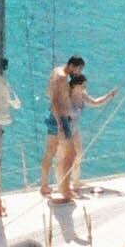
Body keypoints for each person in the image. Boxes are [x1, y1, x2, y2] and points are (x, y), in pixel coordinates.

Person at [59, 64, 117, 200]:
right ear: (75, 86)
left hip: (74, 130)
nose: (85, 88)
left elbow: (95, 102)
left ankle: (76, 183)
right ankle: (64, 187)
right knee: (68, 158)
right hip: (65, 132)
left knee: (79, 155)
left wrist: (109, 96)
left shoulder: (82, 95)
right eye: (83, 86)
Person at [41, 56, 85, 197]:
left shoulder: (57, 71)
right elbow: (54, 99)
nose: (78, 73)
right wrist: (60, 123)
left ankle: (44, 186)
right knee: (70, 155)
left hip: (55, 117)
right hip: (60, 119)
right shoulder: (61, 78)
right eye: (79, 69)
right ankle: (65, 190)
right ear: (72, 66)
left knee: (51, 152)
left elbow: (49, 93)